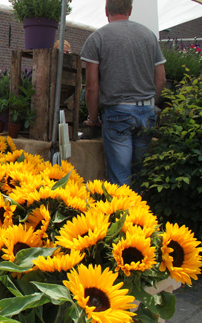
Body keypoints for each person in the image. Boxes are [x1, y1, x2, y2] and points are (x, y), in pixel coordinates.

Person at [81, 0, 166, 189]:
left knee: (120, 179)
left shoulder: (97, 38)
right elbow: (161, 78)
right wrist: (150, 101)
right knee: (139, 175)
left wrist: (93, 118)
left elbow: (92, 86)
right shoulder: (149, 36)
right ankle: (138, 216)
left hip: (117, 112)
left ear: (106, 11)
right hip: (147, 111)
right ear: (130, 10)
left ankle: (123, 216)